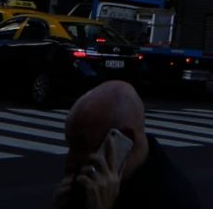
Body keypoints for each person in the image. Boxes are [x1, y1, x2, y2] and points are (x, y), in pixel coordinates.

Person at [51, 80, 202, 209]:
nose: (70, 161)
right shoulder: (90, 187)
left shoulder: (173, 199)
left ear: (123, 140)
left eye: (82, 146)